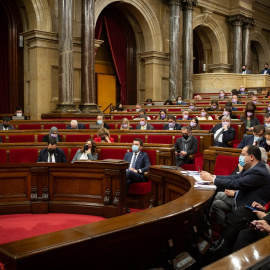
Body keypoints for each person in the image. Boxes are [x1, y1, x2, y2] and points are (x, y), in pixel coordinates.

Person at [124, 138, 151, 212]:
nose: (134, 146)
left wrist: (138, 170)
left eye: (136, 144)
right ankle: (123, 205)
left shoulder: (144, 155)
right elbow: (123, 165)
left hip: (138, 176)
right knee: (127, 181)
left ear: (140, 147)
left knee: (129, 172)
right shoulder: (127, 154)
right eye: (133, 144)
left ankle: (117, 182)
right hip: (128, 176)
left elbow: (148, 166)